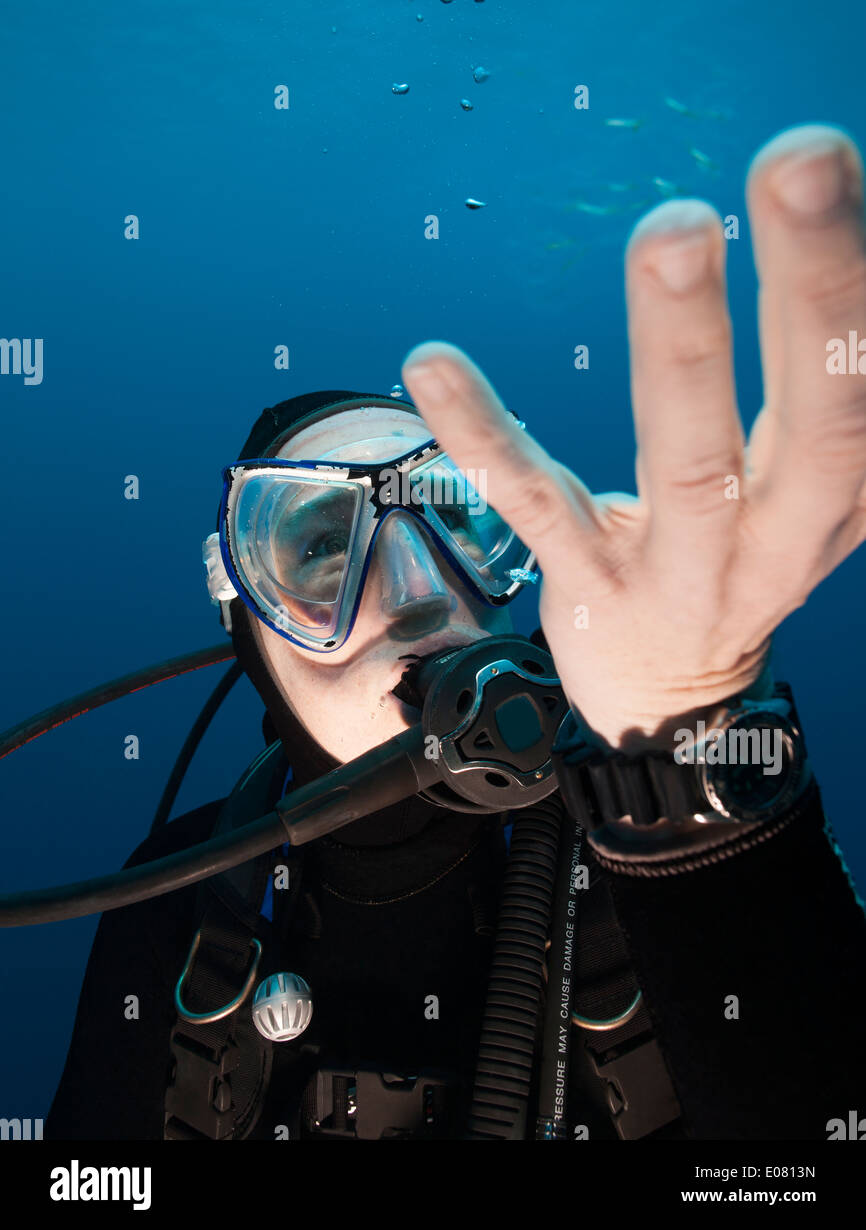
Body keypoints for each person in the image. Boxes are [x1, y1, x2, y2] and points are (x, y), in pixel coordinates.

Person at [45, 124, 866, 1141]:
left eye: (460, 518)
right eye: (317, 552)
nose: (423, 588)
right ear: (249, 625)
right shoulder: (172, 899)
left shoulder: (628, 866)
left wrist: (689, 762)